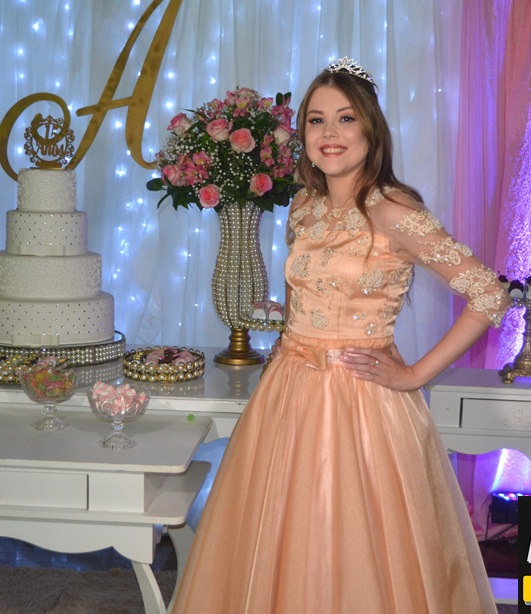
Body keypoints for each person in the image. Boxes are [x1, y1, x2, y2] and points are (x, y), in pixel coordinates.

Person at [172, 57, 511, 613]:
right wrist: (288, 339)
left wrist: (414, 375)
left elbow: (489, 295)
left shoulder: (394, 211)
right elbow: (304, 295)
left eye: (346, 118)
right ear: (303, 134)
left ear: (370, 130)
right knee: (281, 545)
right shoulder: (303, 206)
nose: (330, 133)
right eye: (316, 120)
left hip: (362, 403)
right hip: (289, 394)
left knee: (357, 552)